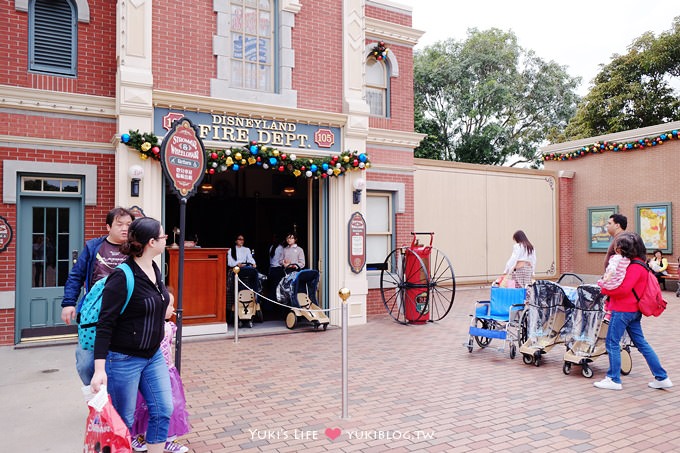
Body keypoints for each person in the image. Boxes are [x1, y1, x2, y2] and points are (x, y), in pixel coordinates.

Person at [90, 217, 174, 453]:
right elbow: (105, 324)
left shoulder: (155, 269)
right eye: (163, 236)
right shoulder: (122, 276)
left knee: (162, 410)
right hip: (124, 359)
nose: (166, 239)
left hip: (153, 355)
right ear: (151, 242)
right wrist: (99, 369)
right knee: (122, 421)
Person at [61, 207, 135, 385]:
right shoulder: (94, 246)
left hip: (124, 315)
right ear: (108, 226)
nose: (125, 228)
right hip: (94, 314)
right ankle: (94, 401)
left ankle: (111, 408)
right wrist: (69, 303)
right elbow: (76, 275)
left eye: (129, 225)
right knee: (87, 364)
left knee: (120, 365)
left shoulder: (135, 249)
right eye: (119, 224)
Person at [594, 232, 672, 391]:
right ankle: (662, 377)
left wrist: (604, 289)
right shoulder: (640, 264)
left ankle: (613, 379)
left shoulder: (635, 266)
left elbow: (623, 289)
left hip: (623, 309)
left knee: (612, 342)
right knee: (641, 343)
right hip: (633, 310)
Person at [131, 294, 190, 453]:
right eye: (170, 306)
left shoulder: (165, 326)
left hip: (162, 372)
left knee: (160, 406)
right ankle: (153, 438)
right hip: (156, 373)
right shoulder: (161, 327)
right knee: (158, 407)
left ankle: (156, 438)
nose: (173, 309)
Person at [597, 248, 630, 321]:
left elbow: (612, 268)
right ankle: (608, 312)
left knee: (610, 295)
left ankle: (607, 311)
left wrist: (607, 277)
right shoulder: (628, 259)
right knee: (612, 297)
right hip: (620, 281)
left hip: (613, 280)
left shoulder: (616, 258)